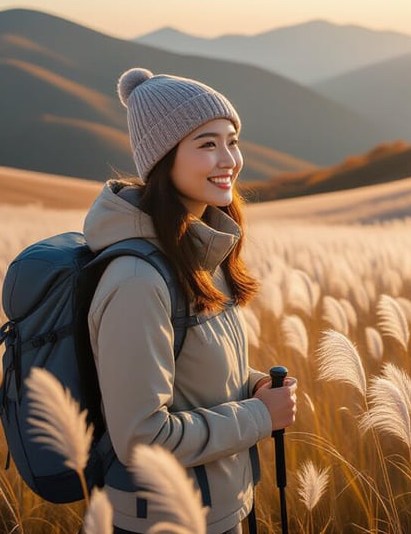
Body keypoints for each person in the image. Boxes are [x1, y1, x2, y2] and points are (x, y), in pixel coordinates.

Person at [83, 67, 297, 533]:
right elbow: (142, 440)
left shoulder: (199, 252)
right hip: (168, 522)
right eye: (206, 144)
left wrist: (254, 385)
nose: (229, 159)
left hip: (216, 509)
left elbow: (190, 379)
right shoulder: (137, 280)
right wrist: (260, 416)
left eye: (232, 139)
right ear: (163, 159)